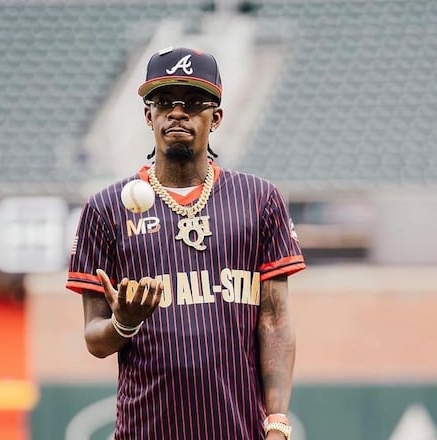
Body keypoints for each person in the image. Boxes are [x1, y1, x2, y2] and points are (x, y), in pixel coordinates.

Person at [67, 46, 306, 439]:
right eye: (164, 102)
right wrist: (123, 324)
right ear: (149, 116)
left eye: (194, 102)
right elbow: (95, 338)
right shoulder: (105, 208)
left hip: (237, 429)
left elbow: (275, 319)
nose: (178, 112)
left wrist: (277, 422)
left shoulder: (259, 199)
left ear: (217, 117)